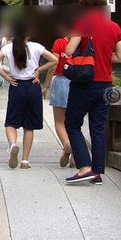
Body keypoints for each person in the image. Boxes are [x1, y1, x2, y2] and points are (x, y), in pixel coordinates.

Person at [63, 0, 121, 185]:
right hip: (106, 84)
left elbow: (69, 51)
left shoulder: (82, 24)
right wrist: (106, 57)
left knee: (72, 124)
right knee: (98, 128)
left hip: (85, 83)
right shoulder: (114, 26)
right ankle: (97, 172)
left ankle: (84, 167)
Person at [0, 22, 59, 170]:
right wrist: (39, 69)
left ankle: (13, 144)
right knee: (29, 126)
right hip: (32, 86)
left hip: (16, 86)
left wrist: (7, 77)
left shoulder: (8, 48)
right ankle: (25, 161)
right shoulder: (37, 47)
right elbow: (54, 60)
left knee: (11, 122)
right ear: (27, 34)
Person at [43, 13, 75, 168]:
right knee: (75, 122)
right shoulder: (81, 43)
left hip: (61, 81)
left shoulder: (59, 43)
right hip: (77, 83)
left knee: (59, 121)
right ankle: (75, 151)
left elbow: (53, 65)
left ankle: (67, 143)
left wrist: (46, 86)